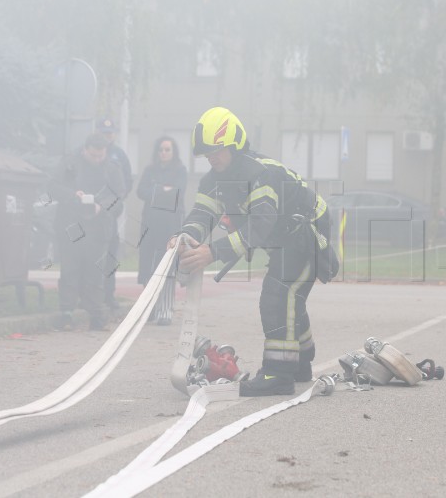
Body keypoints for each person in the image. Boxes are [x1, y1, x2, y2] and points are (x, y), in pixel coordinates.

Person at [170, 107, 338, 397]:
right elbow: (202, 214)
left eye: (216, 150)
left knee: (277, 294)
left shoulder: (259, 173)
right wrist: (184, 236)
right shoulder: (213, 181)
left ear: (234, 144)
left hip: (307, 231)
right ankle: (300, 363)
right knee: (290, 300)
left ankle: (278, 373)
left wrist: (213, 251)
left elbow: (261, 224)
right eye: (206, 153)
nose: (211, 157)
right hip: (286, 238)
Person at [49, 133, 125, 331]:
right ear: (85, 150)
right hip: (72, 223)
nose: (97, 160)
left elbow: (119, 198)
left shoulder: (112, 169)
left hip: (99, 227)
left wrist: (102, 206)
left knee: (95, 272)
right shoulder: (70, 163)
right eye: (93, 155)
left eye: (100, 156)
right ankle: (66, 313)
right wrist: (74, 195)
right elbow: (54, 186)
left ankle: (96, 315)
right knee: (70, 268)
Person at [136, 136, 187, 325]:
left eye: (167, 150)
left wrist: (157, 192)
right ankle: (149, 307)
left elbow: (178, 192)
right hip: (150, 223)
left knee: (166, 265)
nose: (164, 153)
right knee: (148, 265)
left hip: (170, 223)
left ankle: (165, 310)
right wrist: (161, 190)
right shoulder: (150, 170)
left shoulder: (180, 170)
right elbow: (141, 191)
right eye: (161, 150)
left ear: (173, 152)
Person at [97, 118, 133, 311]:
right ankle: (89, 294)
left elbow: (127, 180)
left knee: (110, 254)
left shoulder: (119, 155)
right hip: (91, 213)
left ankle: (109, 295)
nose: (107, 136)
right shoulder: (91, 151)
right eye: (103, 132)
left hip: (110, 213)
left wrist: (119, 198)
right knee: (91, 256)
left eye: (110, 133)